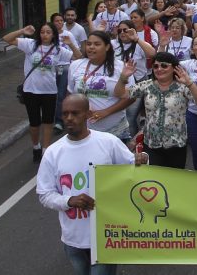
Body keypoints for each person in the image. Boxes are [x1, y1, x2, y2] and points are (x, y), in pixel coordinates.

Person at [36, 94, 148, 275]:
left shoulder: (108, 142)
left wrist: (142, 159)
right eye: (65, 114)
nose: (69, 118)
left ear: (87, 114)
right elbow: (44, 194)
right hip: (73, 239)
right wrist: (70, 201)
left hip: (106, 237)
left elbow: (136, 170)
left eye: (75, 113)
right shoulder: (52, 153)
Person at [115, 52, 197, 169]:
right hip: (151, 144)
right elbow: (120, 93)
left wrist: (189, 83)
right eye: (155, 66)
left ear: (174, 68)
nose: (159, 69)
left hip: (176, 145)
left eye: (164, 66)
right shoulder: (147, 85)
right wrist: (123, 77)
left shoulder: (182, 87)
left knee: (174, 180)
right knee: (154, 182)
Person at [3, 23, 74, 161]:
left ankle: (45, 151)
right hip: (31, 91)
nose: (45, 35)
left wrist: (70, 44)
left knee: (48, 122)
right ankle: (36, 146)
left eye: (48, 32)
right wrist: (22, 30)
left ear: (53, 34)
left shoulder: (58, 50)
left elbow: (78, 56)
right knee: (34, 124)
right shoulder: (30, 44)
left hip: (50, 92)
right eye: (42, 32)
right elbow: (6, 38)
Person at [67, 31, 136, 143]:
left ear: (107, 47)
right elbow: (70, 94)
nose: (91, 47)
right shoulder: (75, 65)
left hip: (115, 131)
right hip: (84, 131)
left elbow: (132, 97)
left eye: (97, 44)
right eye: (89, 44)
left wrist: (106, 112)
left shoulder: (120, 67)